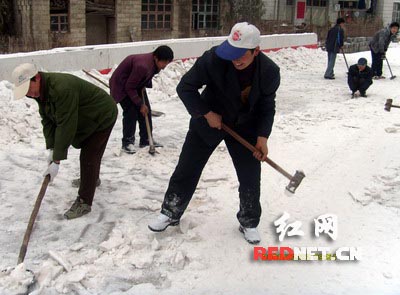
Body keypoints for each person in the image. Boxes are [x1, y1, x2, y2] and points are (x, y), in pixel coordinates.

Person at [148, 22, 280, 244]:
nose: (235, 59)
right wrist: (206, 113)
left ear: (256, 51)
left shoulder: (269, 71)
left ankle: (248, 221)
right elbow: (185, 87)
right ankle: (170, 211)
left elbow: (267, 106)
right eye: (232, 53)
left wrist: (262, 138)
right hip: (209, 120)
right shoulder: (214, 59)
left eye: (241, 55)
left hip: (245, 125)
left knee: (249, 175)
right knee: (187, 167)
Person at [11, 63, 118, 219]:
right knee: (91, 156)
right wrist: (52, 148)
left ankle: (84, 202)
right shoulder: (40, 92)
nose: (29, 94)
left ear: (37, 78)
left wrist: (57, 160)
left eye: (28, 89)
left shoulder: (62, 89)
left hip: (102, 114)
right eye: (25, 92)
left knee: (89, 156)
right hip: (87, 117)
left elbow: (66, 124)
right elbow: (48, 121)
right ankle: (91, 179)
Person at [109, 46, 174, 154]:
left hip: (135, 85)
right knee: (131, 112)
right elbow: (129, 87)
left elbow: (143, 78)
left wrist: (143, 84)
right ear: (156, 58)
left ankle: (146, 139)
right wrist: (140, 104)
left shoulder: (153, 63)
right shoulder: (143, 66)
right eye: (164, 62)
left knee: (146, 111)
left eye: (167, 63)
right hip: (121, 86)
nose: (165, 66)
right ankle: (127, 143)